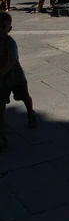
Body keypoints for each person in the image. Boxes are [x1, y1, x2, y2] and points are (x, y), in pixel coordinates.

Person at [0, 12, 36, 151]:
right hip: (1, 82)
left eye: (3, 27)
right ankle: (2, 136)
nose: (0, 30)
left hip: (15, 78)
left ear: (9, 29)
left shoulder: (10, 42)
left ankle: (30, 112)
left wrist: (3, 71)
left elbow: (12, 60)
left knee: (24, 97)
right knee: (0, 107)